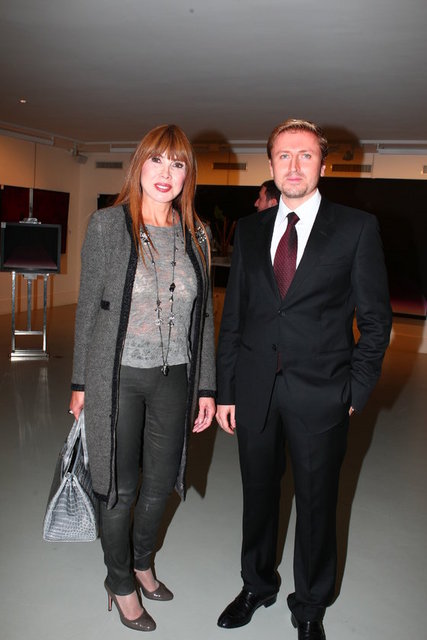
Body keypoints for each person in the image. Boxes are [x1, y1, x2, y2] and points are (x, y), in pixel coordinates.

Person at [215, 118, 392, 639]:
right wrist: (227, 390)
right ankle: (256, 585)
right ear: (271, 165)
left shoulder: (356, 228)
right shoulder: (250, 231)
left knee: (317, 504)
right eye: (284, 156)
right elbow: (235, 316)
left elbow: (376, 321)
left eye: (306, 155)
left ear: (323, 164)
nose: (294, 165)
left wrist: (355, 390)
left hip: (323, 394)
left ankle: (310, 606)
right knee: (257, 497)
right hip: (254, 390)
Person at [69, 124, 216, 632]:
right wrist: (79, 383)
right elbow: (87, 309)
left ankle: (142, 562)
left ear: (187, 175)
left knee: (160, 484)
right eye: (157, 160)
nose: (166, 173)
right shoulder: (108, 226)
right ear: (139, 165)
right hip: (117, 377)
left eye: (178, 164)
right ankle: (120, 581)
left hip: (175, 377)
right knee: (119, 487)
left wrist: (206, 386)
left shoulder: (198, 234)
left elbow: (204, 318)